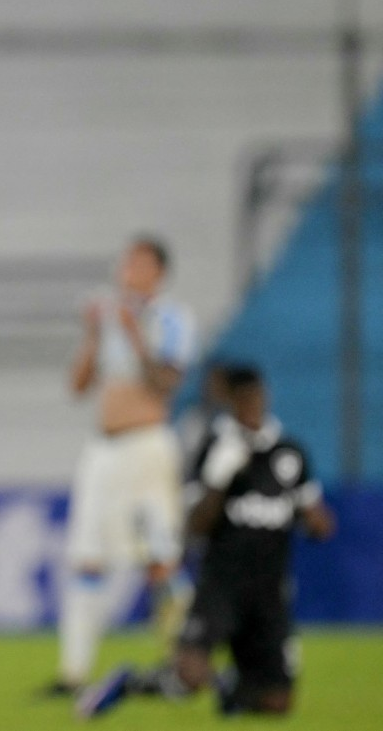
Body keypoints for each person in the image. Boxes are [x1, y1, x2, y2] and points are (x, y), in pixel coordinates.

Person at [75, 365, 336, 718]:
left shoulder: (289, 453)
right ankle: (130, 682)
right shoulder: (215, 448)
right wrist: (217, 479)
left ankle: (233, 689)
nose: (252, 408)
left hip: (270, 591)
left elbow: (320, 525)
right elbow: (195, 526)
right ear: (233, 402)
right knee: (191, 673)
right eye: (244, 401)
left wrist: (310, 514)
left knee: (278, 704)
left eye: (257, 399)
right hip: (222, 585)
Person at [53, 236, 197, 694]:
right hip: (103, 449)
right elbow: (78, 387)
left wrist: (134, 332)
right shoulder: (107, 316)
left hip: (146, 446)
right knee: (86, 558)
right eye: (126, 260)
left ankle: (182, 665)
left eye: (140, 261)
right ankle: (73, 673)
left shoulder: (170, 319)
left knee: (160, 558)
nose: (128, 268)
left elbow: (165, 384)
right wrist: (95, 333)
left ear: (159, 271)